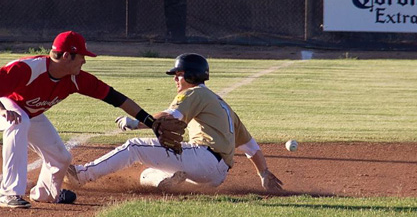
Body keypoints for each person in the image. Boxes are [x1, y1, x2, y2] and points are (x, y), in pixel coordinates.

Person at [0, 31, 159, 209]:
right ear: (66, 56)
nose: (84, 61)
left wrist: (151, 122)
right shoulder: (29, 69)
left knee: (61, 158)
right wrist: (1, 110)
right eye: (81, 56)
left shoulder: (75, 79)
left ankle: (45, 194)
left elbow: (116, 98)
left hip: (27, 112)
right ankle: (9, 194)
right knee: (19, 121)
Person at [65, 53, 284, 193]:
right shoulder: (224, 107)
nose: (175, 79)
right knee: (146, 175)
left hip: (203, 158)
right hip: (216, 175)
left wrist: (134, 122)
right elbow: (251, 147)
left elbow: (169, 118)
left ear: (189, 76)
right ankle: (169, 181)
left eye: (178, 75)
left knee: (134, 147)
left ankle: (82, 175)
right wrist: (263, 174)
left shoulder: (193, 93)